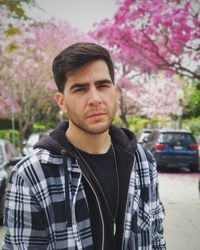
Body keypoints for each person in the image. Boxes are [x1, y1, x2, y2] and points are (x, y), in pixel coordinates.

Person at [3, 42, 166, 250]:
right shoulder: (32, 174)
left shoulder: (143, 162)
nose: (95, 99)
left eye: (103, 86)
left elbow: (156, 237)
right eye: (80, 89)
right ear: (61, 101)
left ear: (115, 91)